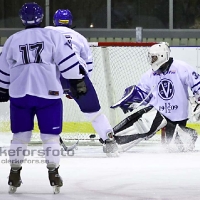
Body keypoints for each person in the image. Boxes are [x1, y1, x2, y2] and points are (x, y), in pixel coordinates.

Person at [0, 2, 86, 194]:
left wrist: (2, 89)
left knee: (20, 137)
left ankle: (14, 173)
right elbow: (68, 63)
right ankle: (53, 173)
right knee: (50, 138)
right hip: (48, 94)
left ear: (22, 18)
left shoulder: (12, 40)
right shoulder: (52, 35)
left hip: (20, 95)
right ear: (41, 18)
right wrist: (77, 81)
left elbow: (4, 69)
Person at [45, 9, 119, 157]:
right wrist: (79, 88)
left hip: (50, 75)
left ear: (54, 21)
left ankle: (51, 142)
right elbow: (88, 67)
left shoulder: (45, 31)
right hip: (76, 75)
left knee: (45, 107)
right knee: (94, 112)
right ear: (71, 22)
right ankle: (109, 141)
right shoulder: (79, 37)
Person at [111, 42, 198, 152]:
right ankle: (115, 140)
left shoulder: (182, 68)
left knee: (173, 146)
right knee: (144, 124)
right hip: (159, 111)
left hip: (178, 116)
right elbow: (142, 93)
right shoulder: (150, 74)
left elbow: (197, 84)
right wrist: (131, 100)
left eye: (154, 58)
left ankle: (189, 135)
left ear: (162, 56)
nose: (151, 60)